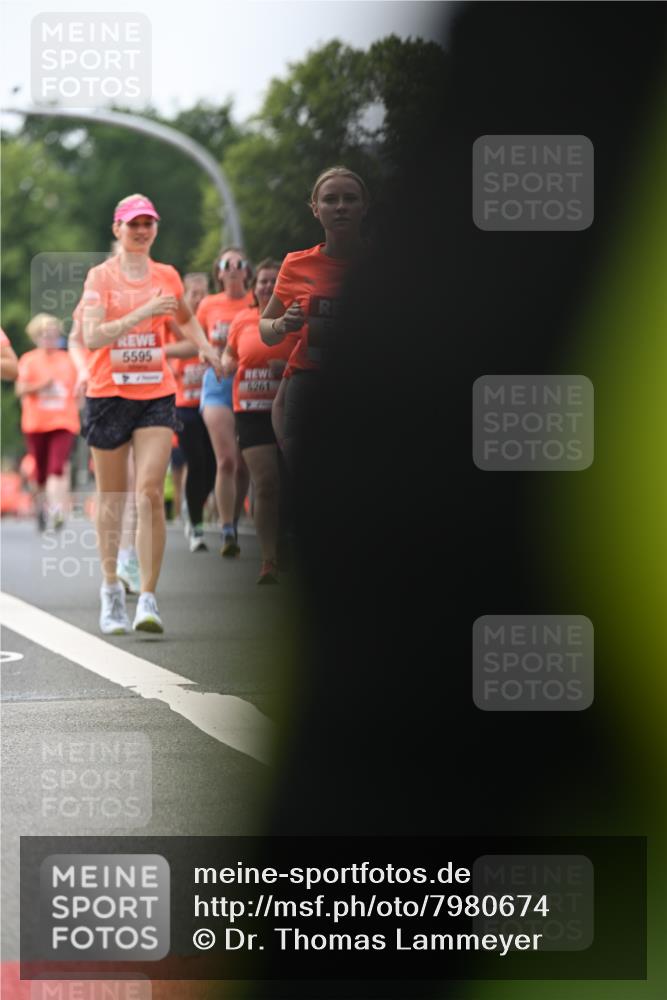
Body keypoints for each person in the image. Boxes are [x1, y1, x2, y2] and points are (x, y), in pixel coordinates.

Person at [81, 193, 222, 634]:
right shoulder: (100, 277)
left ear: (155, 229)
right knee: (113, 499)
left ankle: (147, 598)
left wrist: (206, 347)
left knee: (147, 493)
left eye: (148, 224)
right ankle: (110, 591)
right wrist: (142, 313)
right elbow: (91, 336)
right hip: (108, 395)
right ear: (117, 229)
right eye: (133, 224)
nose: (141, 231)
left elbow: (184, 317)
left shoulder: (167, 275)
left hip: (156, 393)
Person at [259, 166, 369, 459]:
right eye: (331, 200)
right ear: (316, 209)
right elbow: (265, 330)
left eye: (350, 199)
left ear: (364, 207)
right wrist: (282, 324)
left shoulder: (384, 263)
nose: (341, 207)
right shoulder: (296, 265)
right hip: (309, 384)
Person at [70, 247, 141, 595]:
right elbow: (75, 339)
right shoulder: (96, 290)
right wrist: (82, 371)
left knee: (138, 482)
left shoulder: (153, 286)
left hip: (145, 392)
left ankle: (128, 557)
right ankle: (113, 566)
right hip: (105, 391)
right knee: (114, 487)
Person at [223, 258, 293, 583]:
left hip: (291, 410)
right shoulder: (242, 320)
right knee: (265, 483)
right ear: (255, 287)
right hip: (250, 410)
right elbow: (230, 353)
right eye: (262, 281)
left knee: (289, 486)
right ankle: (269, 560)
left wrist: (288, 367)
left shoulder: (296, 319)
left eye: (273, 280)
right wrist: (224, 363)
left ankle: (286, 544)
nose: (266, 286)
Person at [197, 248, 253, 557]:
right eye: (226, 264)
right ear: (218, 272)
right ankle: (228, 528)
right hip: (217, 385)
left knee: (245, 463)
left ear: (248, 271)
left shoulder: (255, 304)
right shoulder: (208, 305)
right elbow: (198, 339)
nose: (232, 268)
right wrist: (206, 352)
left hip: (249, 386)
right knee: (227, 459)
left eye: (239, 264)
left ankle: (235, 513)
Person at [164, 272, 217, 552]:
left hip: (213, 406)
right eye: (192, 293)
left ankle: (191, 503)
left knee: (215, 466)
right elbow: (169, 365)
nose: (198, 298)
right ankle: (195, 526)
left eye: (202, 292)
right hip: (185, 407)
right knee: (196, 463)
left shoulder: (214, 326)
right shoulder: (179, 328)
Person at [15, 314, 79, 531]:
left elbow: (79, 388)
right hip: (36, 423)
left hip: (63, 422)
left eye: (53, 334)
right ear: (36, 337)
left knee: (56, 467)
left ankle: (57, 509)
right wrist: (43, 384)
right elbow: (20, 389)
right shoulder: (29, 360)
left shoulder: (69, 360)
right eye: (44, 334)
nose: (49, 338)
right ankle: (41, 508)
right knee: (40, 473)